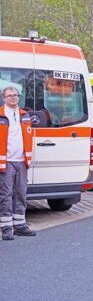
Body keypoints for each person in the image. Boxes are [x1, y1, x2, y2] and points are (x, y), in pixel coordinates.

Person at [0, 86, 35, 240]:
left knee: (21, 193)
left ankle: (20, 225)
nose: (13, 97)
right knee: (5, 195)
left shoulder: (25, 115)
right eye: (10, 95)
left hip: (22, 161)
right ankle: (6, 228)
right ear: (4, 98)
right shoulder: (0, 115)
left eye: (16, 95)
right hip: (6, 161)